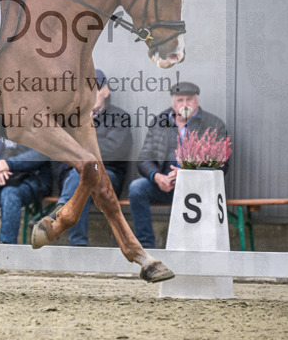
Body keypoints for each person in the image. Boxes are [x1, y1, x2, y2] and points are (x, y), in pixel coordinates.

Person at [128, 81, 231, 248]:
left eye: (189, 99)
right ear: (173, 103)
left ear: (197, 101)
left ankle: (200, 248)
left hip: (197, 188)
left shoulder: (213, 124)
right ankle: (146, 247)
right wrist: (157, 177)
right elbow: (144, 159)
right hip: (166, 185)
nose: (184, 104)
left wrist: (186, 174)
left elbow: (221, 164)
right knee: (136, 188)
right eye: (180, 100)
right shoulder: (159, 121)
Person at [51, 69, 133, 246]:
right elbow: (59, 150)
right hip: (72, 175)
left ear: (105, 91)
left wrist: (81, 153)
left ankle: (62, 217)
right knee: (80, 177)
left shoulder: (119, 118)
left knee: (83, 176)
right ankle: (76, 240)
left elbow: (115, 150)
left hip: (108, 175)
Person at [0, 137, 52, 244]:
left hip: (33, 178)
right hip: (0, 176)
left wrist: (8, 164)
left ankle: (8, 246)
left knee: (10, 193)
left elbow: (40, 153)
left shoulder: (38, 124)